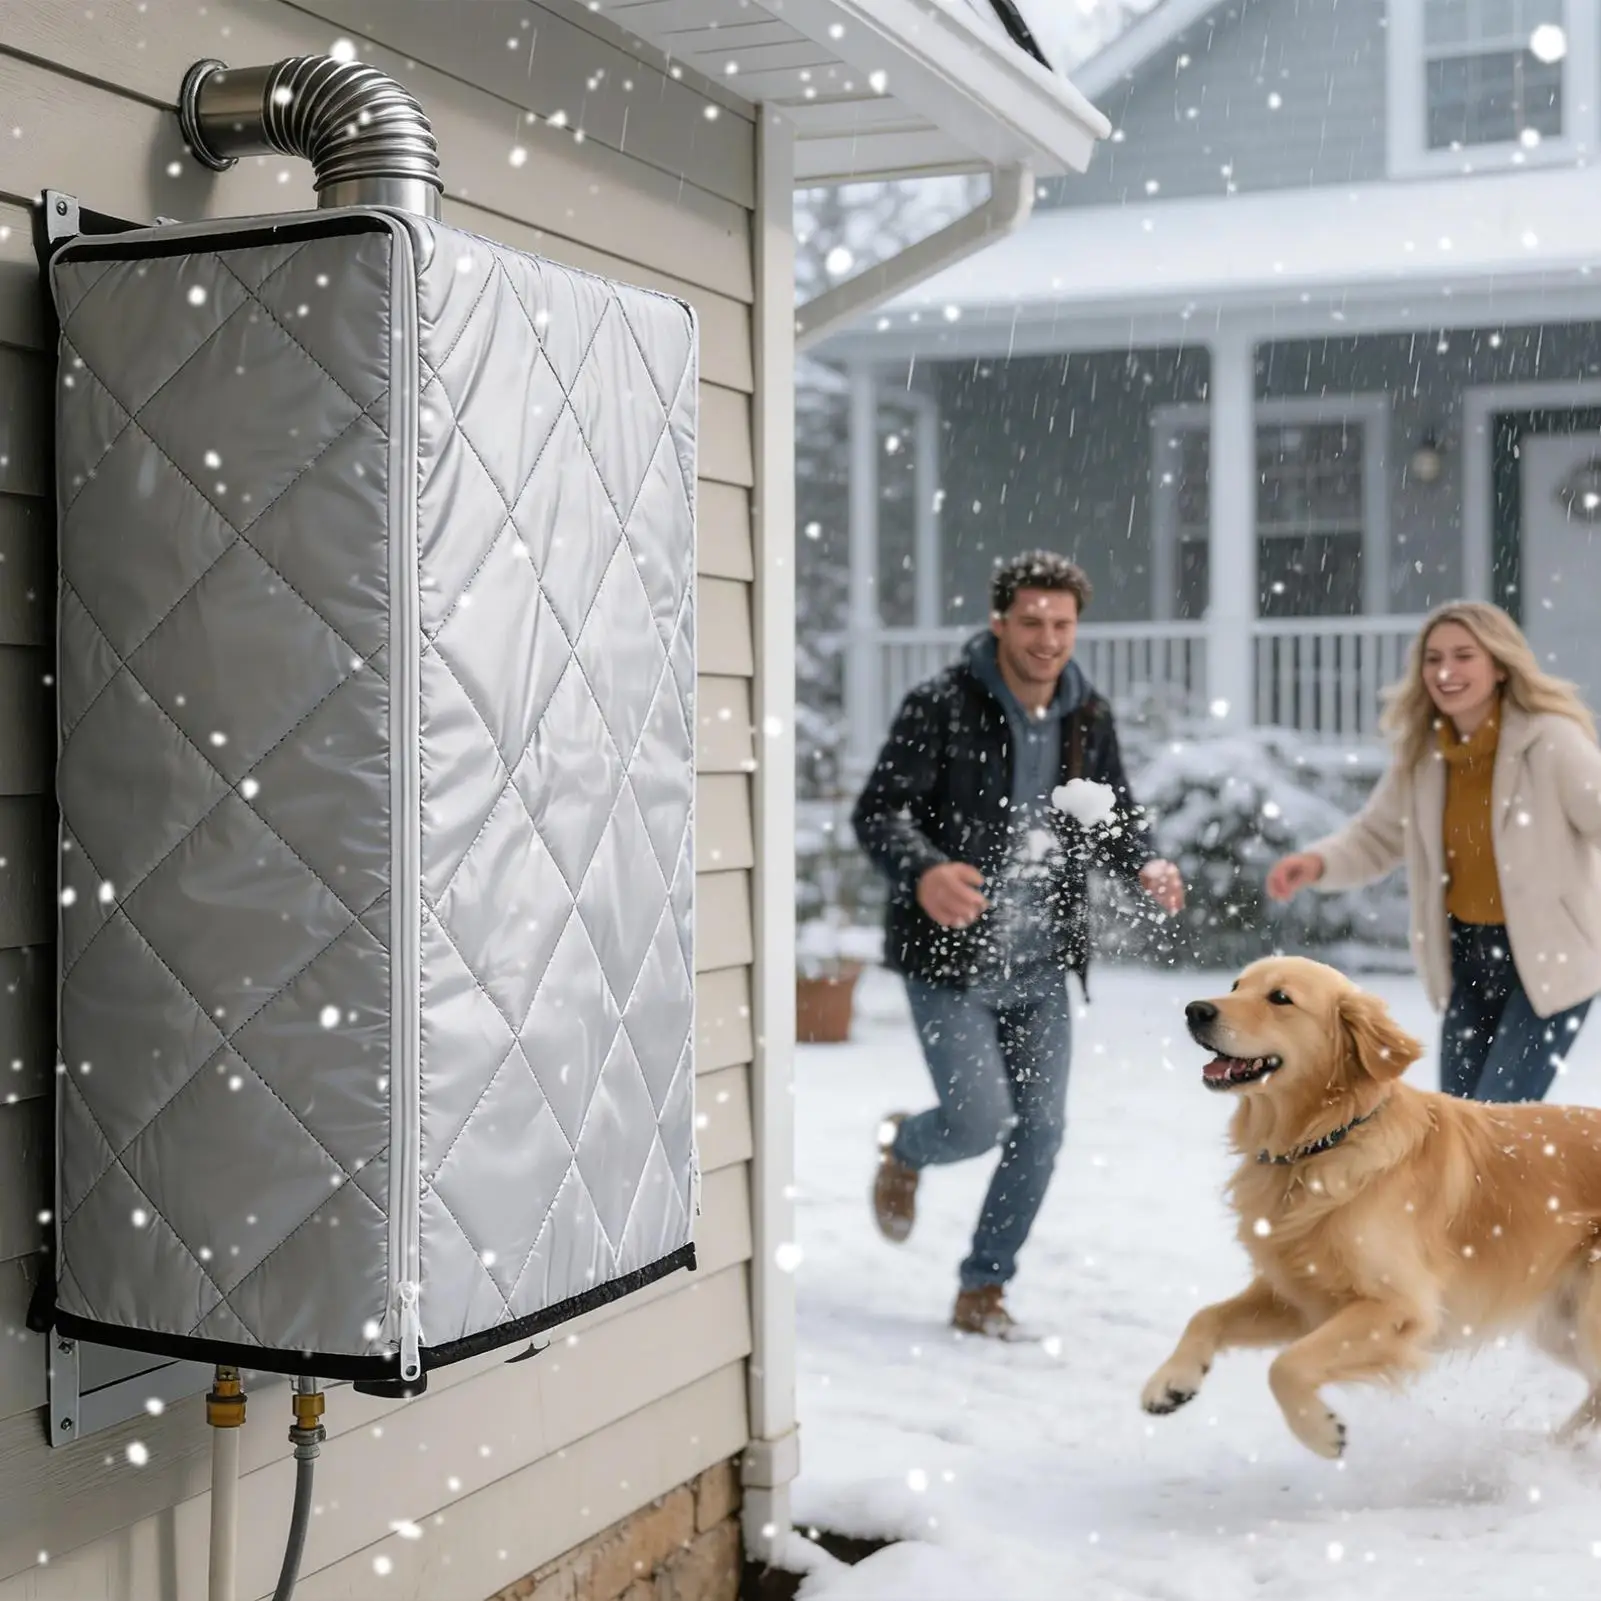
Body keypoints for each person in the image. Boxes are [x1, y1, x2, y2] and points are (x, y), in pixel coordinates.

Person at [852, 551, 1184, 1339]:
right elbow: (879, 812)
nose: (1045, 638)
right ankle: (905, 1146)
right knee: (976, 1123)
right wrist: (926, 871)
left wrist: (1144, 861)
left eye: (1060, 623)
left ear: (1076, 626)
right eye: (1029, 621)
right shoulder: (940, 705)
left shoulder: (1085, 716)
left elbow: (1108, 814)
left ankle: (983, 1289)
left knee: (1040, 1130)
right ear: (999, 622)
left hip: (1040, 963)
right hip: (951, 958)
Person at [1267, 599, 1601, 1103]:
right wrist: (1318, 862)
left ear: (1500, 665)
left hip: (1550, 962)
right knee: (1460, 1124)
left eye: (1464, 655)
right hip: (1465, 958)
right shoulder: (1425, 755)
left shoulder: (1551, 740)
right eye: (1433, 658)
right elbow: (1378, 835)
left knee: (1495, 1124)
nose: (1446, 671)